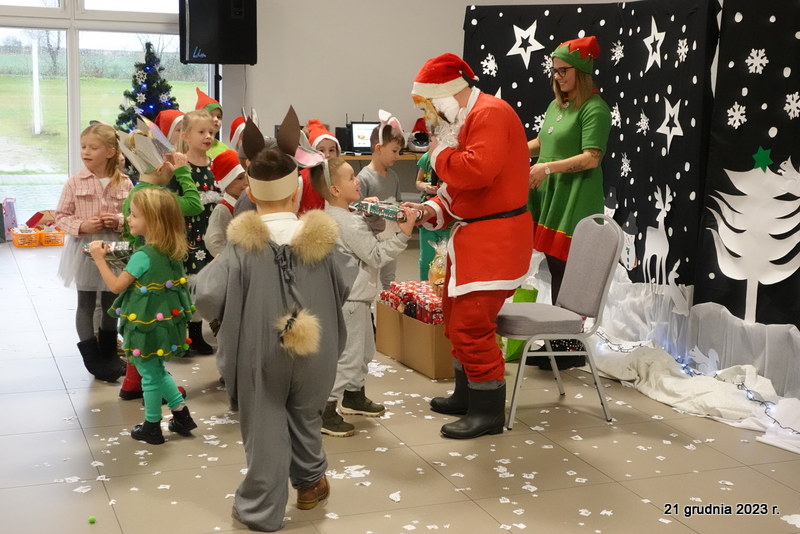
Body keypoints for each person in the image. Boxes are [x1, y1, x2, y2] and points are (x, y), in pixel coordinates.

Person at [194, 148, 348, 531]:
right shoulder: (324, 241)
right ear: (296, 192)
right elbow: (344, 285)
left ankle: (261, 509)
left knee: (265, 426)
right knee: (306, 415)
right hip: (315, 347)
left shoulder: (240, 247)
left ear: (251, 194)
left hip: (259, 351)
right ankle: (310, 485)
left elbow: (207, 296)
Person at [403, 53, 533, 439]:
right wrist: (427, 211)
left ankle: (487, 411)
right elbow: (457, 191)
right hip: (474, 241)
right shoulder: (465, 121)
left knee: (472, 325)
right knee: (454, 318)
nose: (428, 117)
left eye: (428, 107)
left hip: (495, 242)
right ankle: (468, 394)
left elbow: (475, 172)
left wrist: (438, 152)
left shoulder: (490, 114)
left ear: (445, 96)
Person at [310, 157, 415, 437]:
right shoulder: (347, 223)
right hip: (353, 301)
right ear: (335, 190)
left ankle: (354, 396)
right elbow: (375, 255)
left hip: (355, 298)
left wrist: (368, 215)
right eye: (351, 178)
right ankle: (326, 410)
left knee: (364, 351)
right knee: (350, 357)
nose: (357, 181)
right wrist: (403, 234)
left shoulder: (339, 215)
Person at [526, 36, 611, 369]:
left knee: (567, 269)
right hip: (552, 193)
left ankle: (568, 345)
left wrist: (547, 168)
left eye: (564, 70)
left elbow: (591, 158)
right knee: (555, 265)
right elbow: (543, 142)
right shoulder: (557, 106)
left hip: (576, 195)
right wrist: (514, 149)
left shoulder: (595, 108)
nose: (558, 76)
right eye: (555, 70)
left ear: (580, 72)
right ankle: (559, 340)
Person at [88, 188, 197, 445]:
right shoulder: (173, 250)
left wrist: (99, 259)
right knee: (157, 370)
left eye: (135, 215)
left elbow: (116, 287)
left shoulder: (143, 256)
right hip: (166, 324)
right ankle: (181, 415)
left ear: (154, 221)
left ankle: (151, 426)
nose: (129, 219)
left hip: (144, 326)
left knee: (149, 375)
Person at [116, 129, 201, 401]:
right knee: (155, 325)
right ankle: (157, 382)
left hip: (139, 265)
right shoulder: (158, 199)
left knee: (140, 323)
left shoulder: (136, 194)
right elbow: (195, 204)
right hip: (157, 268)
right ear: (164, 168)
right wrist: (184, 172)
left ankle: (133, 381)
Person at [55, 122, 131, 382]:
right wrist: (82, 225)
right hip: (85, 247)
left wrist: (119, 221)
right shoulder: (74, 183)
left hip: (115, 247)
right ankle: (92, 358)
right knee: (86, 302)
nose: (85, 152)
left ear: (110, 151)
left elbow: (134, 215)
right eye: (83, 147)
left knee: (112, 302)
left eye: (93, 147)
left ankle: (109, 352)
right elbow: (61, 216)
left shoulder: (125, 183)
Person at [171, 109, 220, 355]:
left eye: (211, 132)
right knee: (185, 286)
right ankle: (179, 337)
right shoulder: (180, 166)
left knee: (202, 286)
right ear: (186, 136)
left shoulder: (215, 166)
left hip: (210, 235)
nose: (208, 136)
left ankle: (197, 333)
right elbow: (172, 201)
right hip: (188, 236)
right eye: (201, 132)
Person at [356, 113, 405, 290]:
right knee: (368, 280)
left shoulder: (393, 176)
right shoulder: (363, 177)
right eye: (394, 151)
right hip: (370, 240)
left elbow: (398, 202)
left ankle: (388, 305)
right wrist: (368, 209)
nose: (397, 156)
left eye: (399, 152)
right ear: (379, 148)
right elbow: (356, 212)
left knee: (389, 279)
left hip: (390, 237)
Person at [414, 149, 450, 280]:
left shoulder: (452, 159)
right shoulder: (426, 158)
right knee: (426, 259)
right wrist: (425, 186)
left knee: (448, 260)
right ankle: (424, 286)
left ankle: (443, 288)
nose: (430, 145)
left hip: (449, 219)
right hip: (427, 220)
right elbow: (418, 182)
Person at [206, 149, 247, 257]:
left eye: (247, 176)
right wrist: (228, 259)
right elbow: (213, 241)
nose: (246, 182)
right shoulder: (223, 209)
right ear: (226, 182)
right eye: (240, 178)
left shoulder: (249, 203)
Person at [297, 119, 340, 214]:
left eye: (332, 150)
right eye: (321, 150)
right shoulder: (302, 180)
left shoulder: (341, 177)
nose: (327, 155)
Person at [195, 88, 229, 159]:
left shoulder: (225, 150)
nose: (216, 119)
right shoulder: (190, 147)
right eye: (210, 115)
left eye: (219, 117)